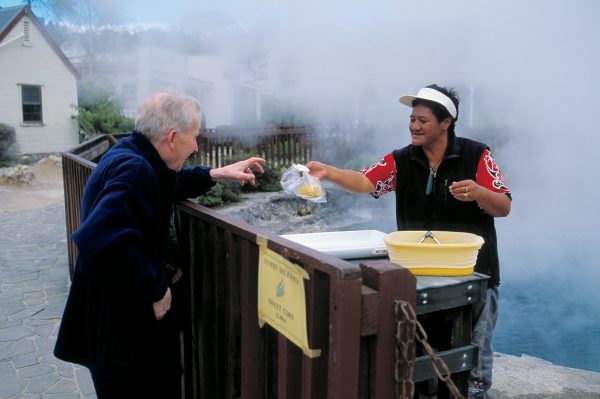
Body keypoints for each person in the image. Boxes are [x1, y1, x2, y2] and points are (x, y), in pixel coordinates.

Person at [54, 90, 265, 398]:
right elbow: (98, 240)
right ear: (170, 138)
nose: (195, 146)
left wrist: (216, 174)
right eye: (192, 138)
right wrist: (156, 289)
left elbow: (165, 185)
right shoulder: (134, 170)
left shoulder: (132, 154)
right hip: (124, 334)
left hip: (112, 324)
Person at [305, 84, 511, 399]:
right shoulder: (402, 160)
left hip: (475, 272)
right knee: (422, 351)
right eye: (412, 119)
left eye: (423, 120)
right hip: (420, 274)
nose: (414, 125)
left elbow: (504, 206)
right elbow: (365, 181)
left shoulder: (476, 154)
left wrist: (480, 193)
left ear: (446, 123)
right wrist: (328, 172)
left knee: (474, 359)